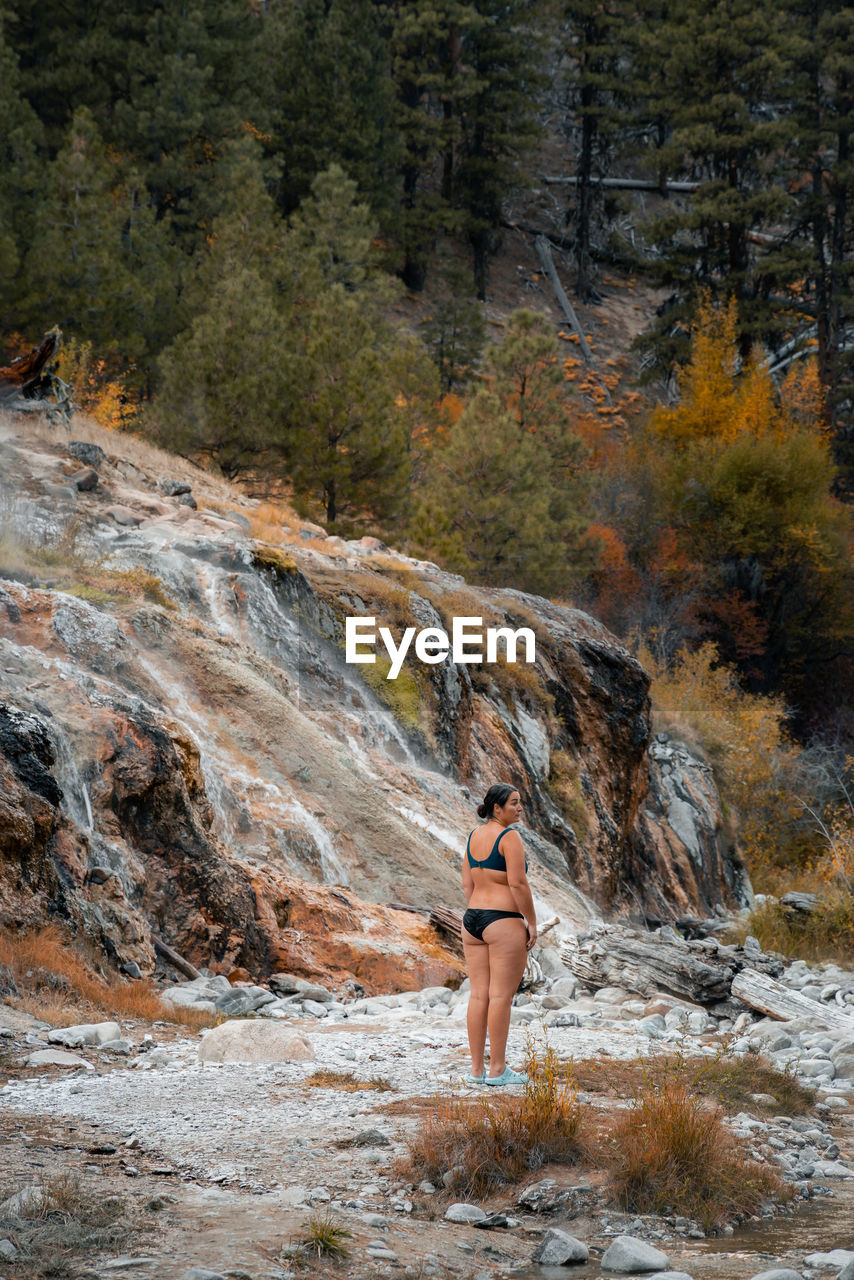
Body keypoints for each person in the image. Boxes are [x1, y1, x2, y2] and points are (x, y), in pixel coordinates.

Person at [461, 783, 537, 1086]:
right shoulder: (510, 837)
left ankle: (477, 1070)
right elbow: (518, 884)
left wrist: (480, 909)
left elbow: (468, 885)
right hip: (502, 920)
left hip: (472, 921)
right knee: (501, 997)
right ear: (497, 808)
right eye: (514, 803)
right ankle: (498, 1070)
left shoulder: (473, 836)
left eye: (520, 803)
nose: (519, 808)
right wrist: (531, 922)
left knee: (478, 994)